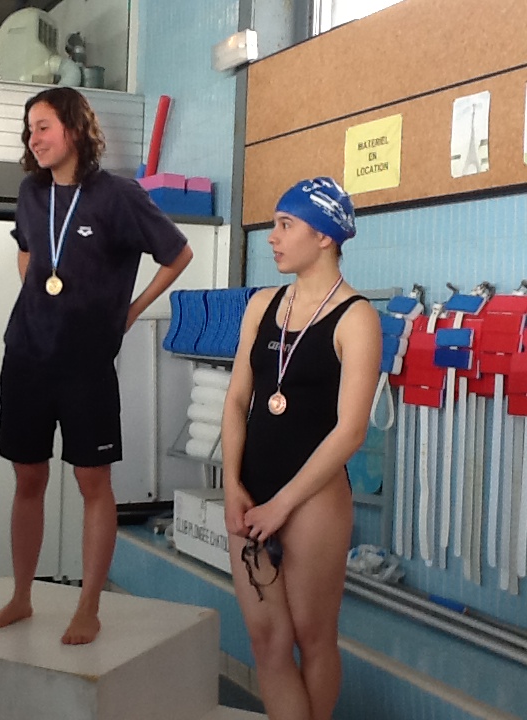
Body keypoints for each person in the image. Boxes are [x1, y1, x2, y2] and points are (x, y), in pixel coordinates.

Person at [0, 87, 194, 645]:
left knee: (91, 481)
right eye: (30, 128)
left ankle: (89, 606)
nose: (34, 138)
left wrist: (132, 310)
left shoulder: (118, 196)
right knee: (28, 478)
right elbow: (27, 248)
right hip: (26, 355)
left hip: (86, 364)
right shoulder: (31, 192)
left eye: (44, 126)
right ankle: (21, 596)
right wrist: (38, 290)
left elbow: (178, 253)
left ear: (74, 129)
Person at [221, 177, 380, 720]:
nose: (272, 237)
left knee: (313, 638)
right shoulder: (263, 305)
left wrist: (282, 505)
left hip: (313, 499)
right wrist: (231, 485)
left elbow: (351, 431)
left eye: (286, 225)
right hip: (251, 490)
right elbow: (237, 399)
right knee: (267, 641)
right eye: (274, 224)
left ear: (324, 236)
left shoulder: (356, 318)